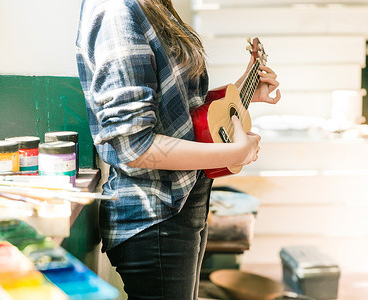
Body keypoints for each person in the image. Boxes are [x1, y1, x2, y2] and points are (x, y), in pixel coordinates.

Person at [75, 0, 281, 299]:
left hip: (183, 201)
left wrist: (244, 91)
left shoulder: (152, 5)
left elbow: (178, 113)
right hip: (155, 214)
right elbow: (135, 146)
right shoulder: (118, 11)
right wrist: (235, 154)